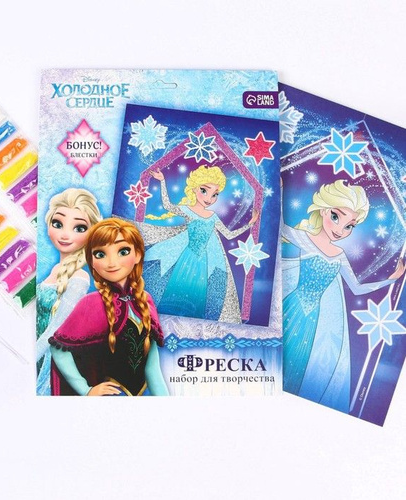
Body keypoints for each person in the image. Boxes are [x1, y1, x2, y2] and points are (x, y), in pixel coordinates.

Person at [281, 179, 405, 412]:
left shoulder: (339, 254)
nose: (340, 230)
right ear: (323, 210)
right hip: (292, 307)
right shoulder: (303, 237)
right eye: (336, 217)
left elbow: (357, 288)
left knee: (300, 366)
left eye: (349, 226)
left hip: (315, 318)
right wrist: (279, 190)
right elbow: (279, 224)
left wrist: (391, 279)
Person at [49, 218, 169, 396]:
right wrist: (86, 390)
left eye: (123, 251)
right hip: (108, 398)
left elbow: (152, 366)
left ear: (137, 255)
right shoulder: (91, 303)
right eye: (100, 254)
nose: (111, 262)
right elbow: (58, 347)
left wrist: (166, 402)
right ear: (92, 261)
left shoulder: (145, 300)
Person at [144, 165, 258, 323]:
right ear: (194, 188)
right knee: (177, 289)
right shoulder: (187, 210)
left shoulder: (213, 216)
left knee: (197, 296)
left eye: (215, 194)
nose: (209, 198)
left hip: (203, 262)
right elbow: (168, 205)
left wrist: (249, 224)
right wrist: (163, 181)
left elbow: (228, 234)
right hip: (187, 257)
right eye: (204, 190)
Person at [35, 188, 102, 395]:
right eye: (58, 224)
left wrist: (30, 355)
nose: (65, 234)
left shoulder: (79, 278)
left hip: (48, 358)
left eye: (79, 228)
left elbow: (57, 329)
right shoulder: (55, 269)